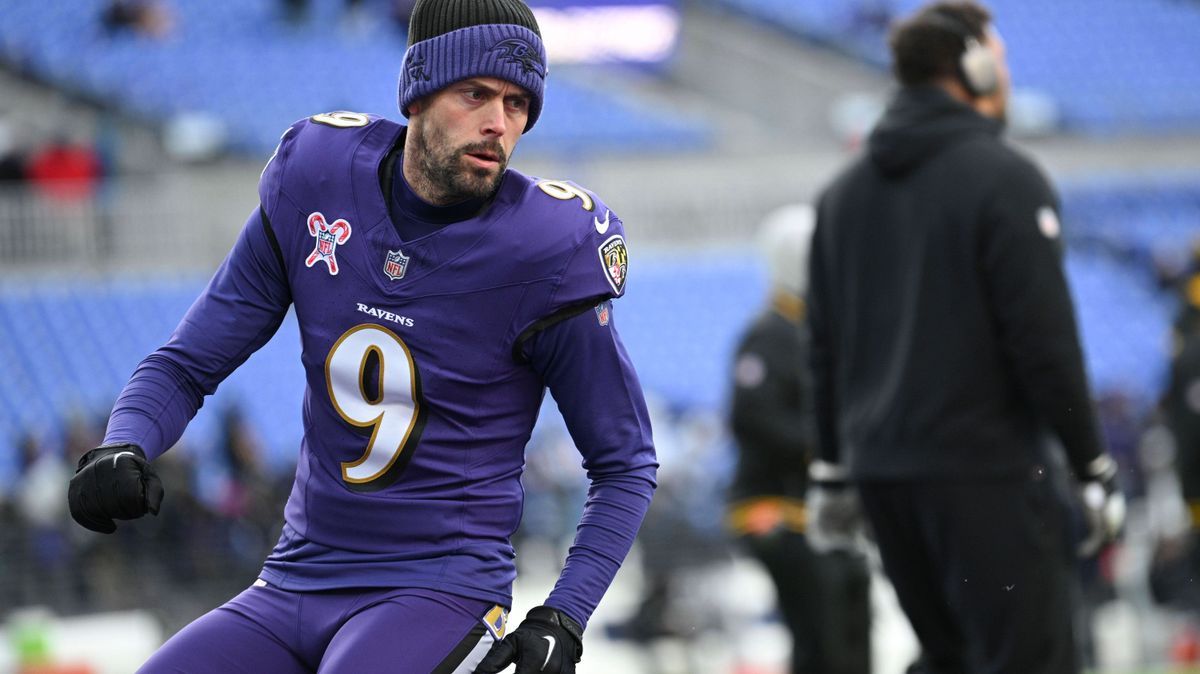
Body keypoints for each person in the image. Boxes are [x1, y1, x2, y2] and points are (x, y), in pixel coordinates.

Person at [65, 0, 658, 671]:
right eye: (476, 94)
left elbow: (625, 463)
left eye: (519, 104)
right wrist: (123, 443)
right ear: (419, 90)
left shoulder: (546, 249)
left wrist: (565, 614)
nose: (499, 123)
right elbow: (188, 362)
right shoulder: (318, 177)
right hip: (294, 577)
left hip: (438, 591)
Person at [805, 3, 1125, 673]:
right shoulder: (1005, 178)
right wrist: (1091, 463)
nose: (1004, 78)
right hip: (986, 474)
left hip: (883, 479)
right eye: (1000, 62)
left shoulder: (840, 198)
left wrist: (833, 469)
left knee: (947, 659)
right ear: (973, 68)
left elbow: (823, 350)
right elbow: (1045, 341)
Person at [725, 204, 870, 674]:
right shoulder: (768, 336)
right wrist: (830, 448)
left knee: (853, 634)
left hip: (829, 517)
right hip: (780, 514)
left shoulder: (819, 332)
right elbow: (752, 418)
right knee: (821, 642)